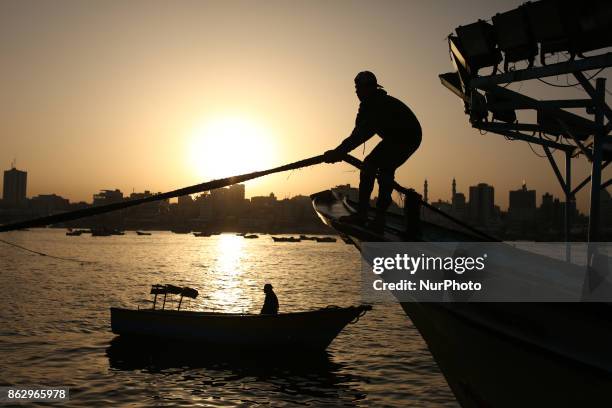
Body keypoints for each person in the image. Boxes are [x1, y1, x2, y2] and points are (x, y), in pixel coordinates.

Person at [324, 71, 422, 231]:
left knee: (372, 165)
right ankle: (374, 217)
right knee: (381, 168)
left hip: (407, 137)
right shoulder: (366, 106)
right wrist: (339, 151)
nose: (357, 92)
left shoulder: (379, 104)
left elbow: (362, 134)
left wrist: (338, 151)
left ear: (371, 88)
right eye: (356, 88)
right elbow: (357, 131)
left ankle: (367, 215)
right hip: (393, 138)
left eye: (360, 88)